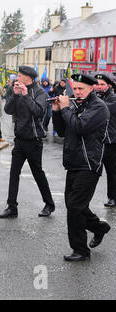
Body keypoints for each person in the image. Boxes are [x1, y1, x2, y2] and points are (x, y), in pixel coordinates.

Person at [52, 73, 111, 262]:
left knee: (75, 207)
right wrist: (56, 111)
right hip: (73, 162)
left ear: (91, 88)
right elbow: (62, 131)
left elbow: (79, 127)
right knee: (74, 204)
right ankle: (99, 227)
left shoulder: (98, 107)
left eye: (81, 89)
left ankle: (80, 250)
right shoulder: (76, 105)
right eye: (75, 89)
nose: (76, 92)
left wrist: (66, 109)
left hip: (89, 163)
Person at [0, 66, 55, 219]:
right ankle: (11, 207)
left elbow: (39, 111)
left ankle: (49, 204)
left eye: (20, 75)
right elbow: (8, 110)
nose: (17, 77)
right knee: (13, 173)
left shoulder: (40, 92)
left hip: (34, 140)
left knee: (38, 173)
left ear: (28, 77)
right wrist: (15, 95)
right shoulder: (16, 90)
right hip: (20, 139)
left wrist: (26, 94)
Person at [94, 73, 116, 208]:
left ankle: (112, 197)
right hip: (96, 141)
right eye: (96, 84)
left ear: (109, 86)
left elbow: (101, 109)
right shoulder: (94, 98)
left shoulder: (113, 99)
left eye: (102, 84)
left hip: (111, 141)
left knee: (112, 171)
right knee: (92, 171)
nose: (99, 87)